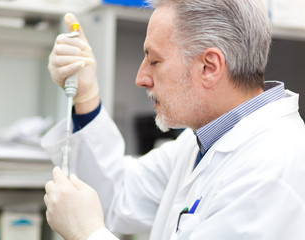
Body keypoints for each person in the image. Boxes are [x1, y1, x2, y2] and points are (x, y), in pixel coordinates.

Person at [42, 0, 305, 239]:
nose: (141, 78)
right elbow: (117, 195)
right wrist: (87, 96)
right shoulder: (201, 141)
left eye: (154, 61)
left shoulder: (271, 169)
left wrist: (87, 234)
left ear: (209, 67)